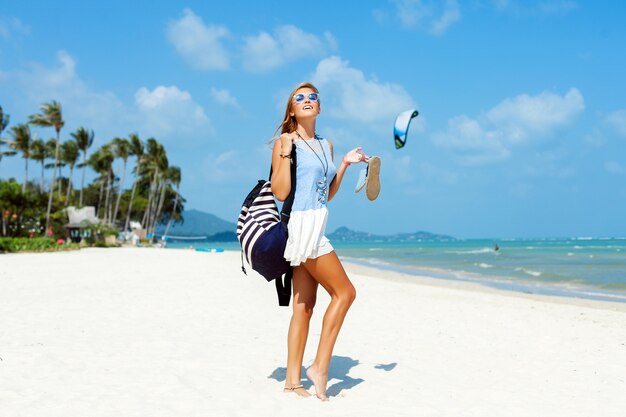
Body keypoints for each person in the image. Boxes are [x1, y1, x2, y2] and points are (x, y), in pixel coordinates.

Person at [271, 82, 369, 401]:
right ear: (291, 110)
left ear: (320, 107)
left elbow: (326, 194)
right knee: (345, 292)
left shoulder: (325, 145)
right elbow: (281, 192)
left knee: (304, 306)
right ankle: (320, 367)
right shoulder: (287, 141)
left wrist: (343, 163)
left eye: (313, 96)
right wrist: (284, 153)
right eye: (299, 97)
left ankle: (291, 381)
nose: (307, 100)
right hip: (302, 227)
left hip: (317, 220)